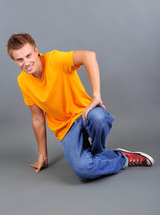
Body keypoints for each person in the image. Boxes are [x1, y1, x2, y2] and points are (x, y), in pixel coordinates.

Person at [7, 33, 154, 179]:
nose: (26, 63)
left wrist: (96, 96)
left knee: (100, 118)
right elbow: (38, 118)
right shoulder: (23, 81)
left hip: (85, 113)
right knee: (83, 170)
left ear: (36, 51)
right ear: (14, 61)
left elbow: (88, 56)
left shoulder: (54, 59)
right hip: (66, 129)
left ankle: (98, 152)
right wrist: (42, 155)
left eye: (28, 56)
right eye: (19, 59)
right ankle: (122, 158)